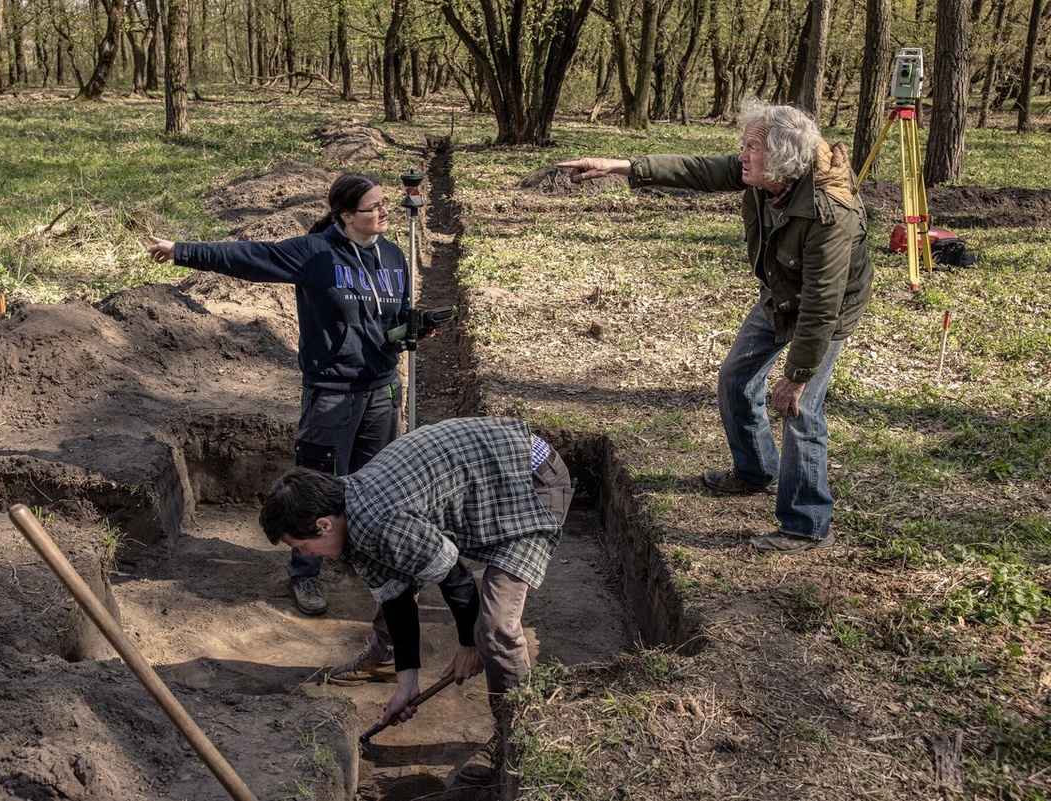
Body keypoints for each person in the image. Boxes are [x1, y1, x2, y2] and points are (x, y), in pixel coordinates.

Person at [557, 99, 872, 555]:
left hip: (828, 310)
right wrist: (619, 166)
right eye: (743, 146)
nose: (741, 156)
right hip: (781, 292)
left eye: (751, 148)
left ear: (780, 158)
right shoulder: (764, 176)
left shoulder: (830, 214)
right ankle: (755, 470)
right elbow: (698, 170)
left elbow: (822, 305)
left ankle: (805, 524)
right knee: (736, 379)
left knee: (800, 408)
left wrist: (797, 376)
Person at [147, 172, 408, 627]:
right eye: (375, 207)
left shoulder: (393, 255)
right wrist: (181, 250)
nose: (386, 212)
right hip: (332, 392)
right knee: (315, 486)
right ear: (346, 215)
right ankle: (305, 573)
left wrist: (413, 328)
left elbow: (397, 314)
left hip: (382, 388)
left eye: (385, 203)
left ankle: (363, 556)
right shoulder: (315, 253)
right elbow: (250, 257)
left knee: (373, 482)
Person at [259, 416, 574, 784]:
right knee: (479, 625)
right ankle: (396, 664)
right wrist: (407, 682)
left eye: (302, 546)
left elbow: (454, 574)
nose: (306, 555)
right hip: (490, 481)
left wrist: (469, 644)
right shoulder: (349, 509)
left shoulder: (377, 520)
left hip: (528, 480)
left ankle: (517, 736)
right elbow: (396, 596)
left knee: (495, 628)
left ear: (323, 525)